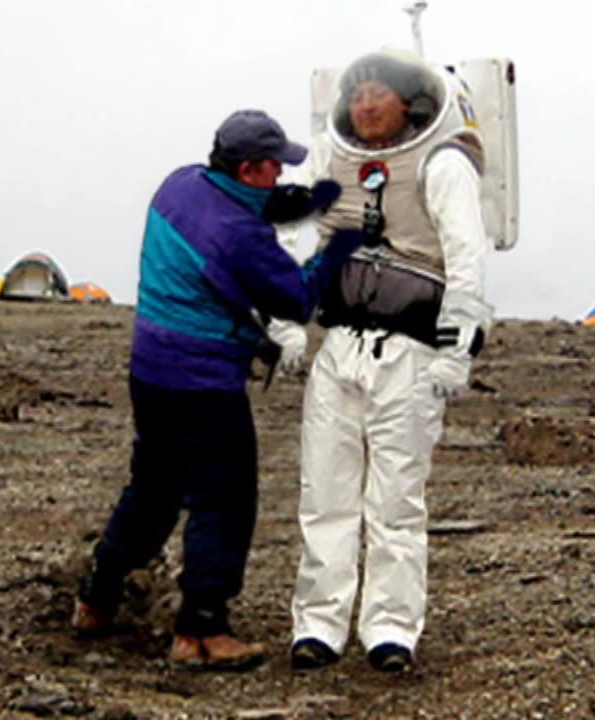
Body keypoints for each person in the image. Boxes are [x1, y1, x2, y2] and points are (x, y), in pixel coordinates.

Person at [72, 109, 365, 671]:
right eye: (274, 166)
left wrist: (306, 199)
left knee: (153, 490)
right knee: (224, 501)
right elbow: (295, 297)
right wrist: (341, 244)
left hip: (151, 370)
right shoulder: (237, 236)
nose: (280, 175)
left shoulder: (180, 185)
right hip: (202, 381)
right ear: (250, 167)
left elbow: (248, 208)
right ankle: (201, 632)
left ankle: (97, 596)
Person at [273, 49, 494, 673]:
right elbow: (297, 234)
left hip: (410, 354)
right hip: (340, 345)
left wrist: (457, 348)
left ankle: (391, 629)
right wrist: (287, 324)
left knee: (396, 499)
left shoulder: (443, 163)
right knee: (326, 492)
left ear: (409, 102)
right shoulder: (332, 157)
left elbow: (466, 255)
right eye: (359, 93)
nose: (367, 104)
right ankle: (318, 623)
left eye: (380, 93)